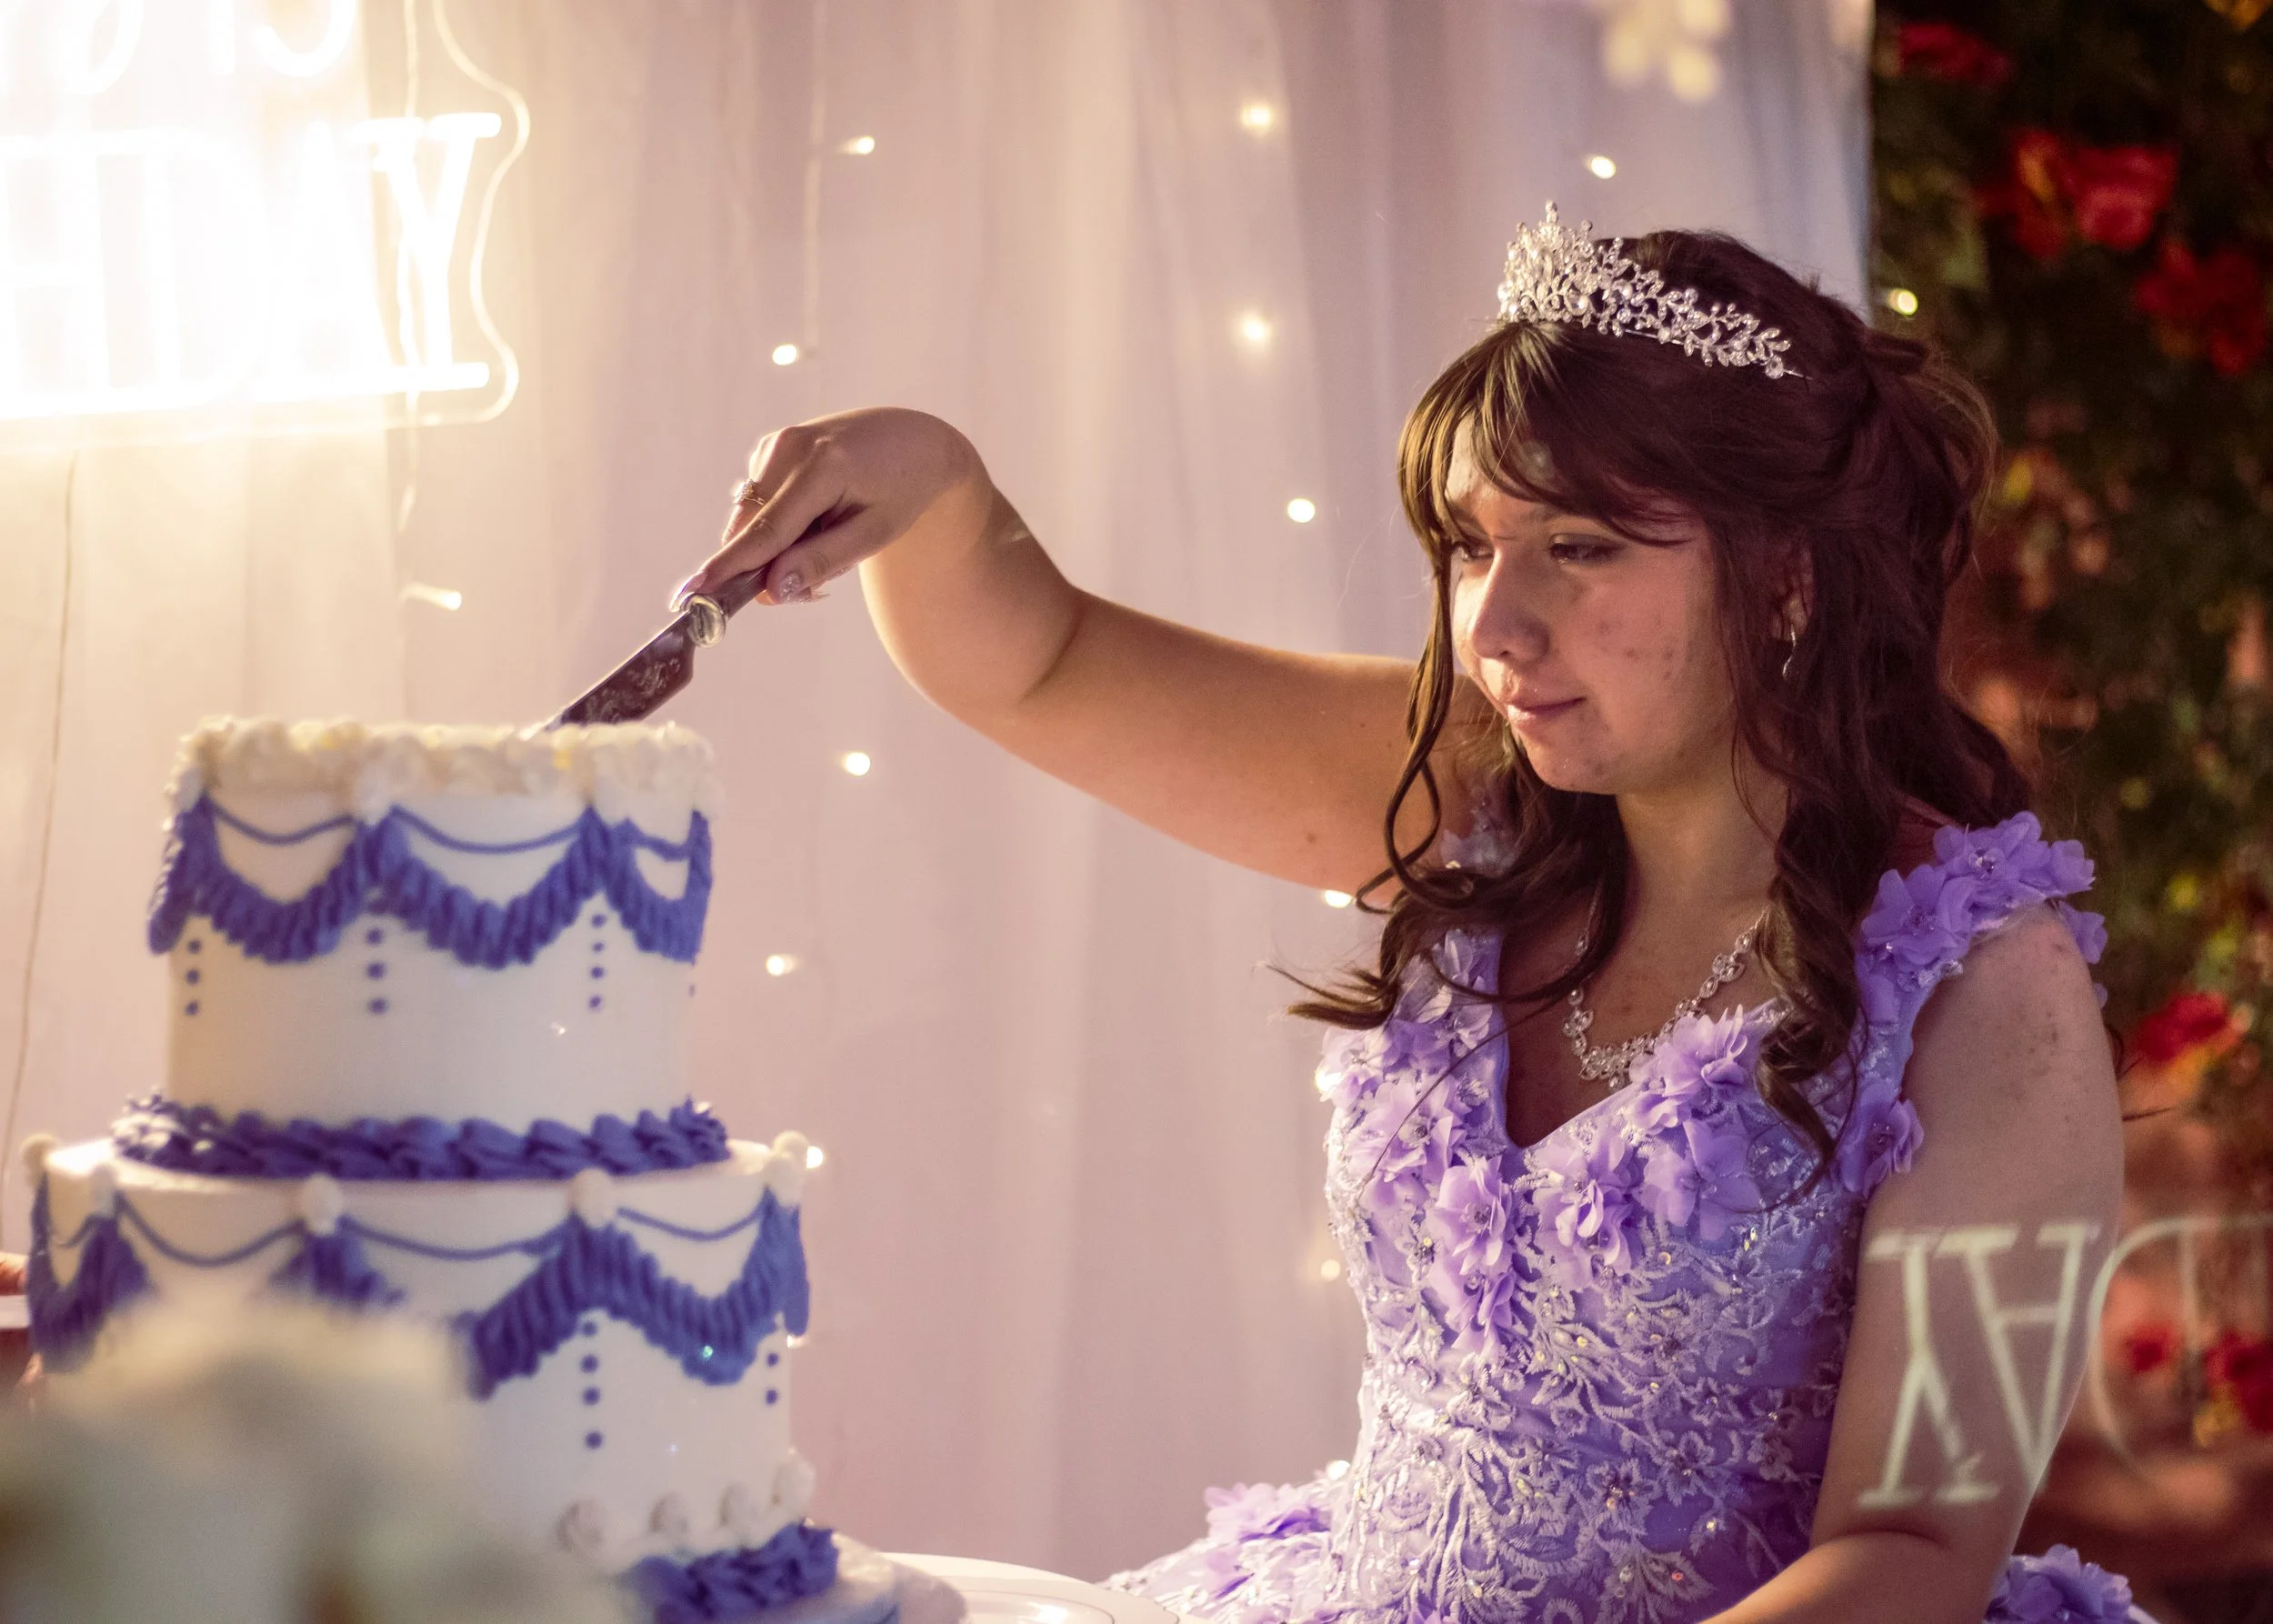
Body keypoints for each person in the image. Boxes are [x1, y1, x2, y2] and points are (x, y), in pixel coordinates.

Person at [677, 207, 2151, 1624]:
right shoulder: (1472, 791)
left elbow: (1920, 1552)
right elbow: (1042, 659)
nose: (1495, 628)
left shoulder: (1991, 991)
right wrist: (927, 478)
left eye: (1578, 547)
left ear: (1789, 577)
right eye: (1467, 545)